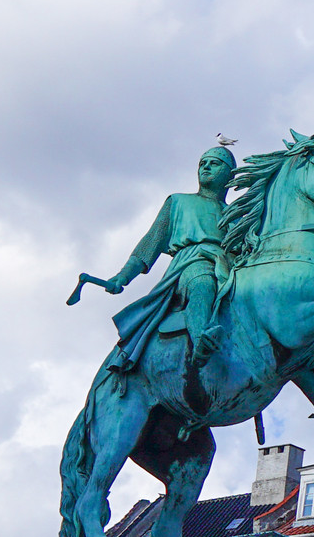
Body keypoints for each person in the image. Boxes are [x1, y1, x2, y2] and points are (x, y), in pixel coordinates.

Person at [99, 145, 236, 374]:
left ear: (230, 174)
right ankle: (202, 339)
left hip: (229, 266)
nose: (206, 167)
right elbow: (149, 244)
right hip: (192, 262)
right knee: (202, 283)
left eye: (214, 163)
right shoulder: (178, 202)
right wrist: (122, 277)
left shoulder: (237, 213)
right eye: (202, 163)